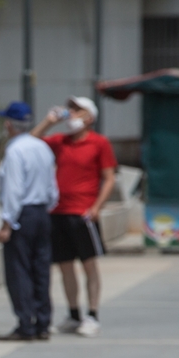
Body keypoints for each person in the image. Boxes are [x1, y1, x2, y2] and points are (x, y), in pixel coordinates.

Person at [31, 96, 117, 338]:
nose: (71, 113)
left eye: (77, 110)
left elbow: (109, 177)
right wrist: (49, 122)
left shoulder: (99, 143)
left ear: (89, 117)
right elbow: (31, 142)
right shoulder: (61, 141)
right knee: (65, 266)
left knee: (89, 264)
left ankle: (92, 315)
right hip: (58, 212)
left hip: (83, 213)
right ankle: (73, 314)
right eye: (70, 109)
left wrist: (97, 206)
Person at [0, 101, 58, 341]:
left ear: (9, 125)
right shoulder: (43, 147)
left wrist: (6, 224)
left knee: (19, 269)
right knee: (41, 268)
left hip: (22, 215)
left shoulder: (14, 151)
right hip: (42, 212)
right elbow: (53, 187)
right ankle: (43, 322)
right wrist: (46, 208)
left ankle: (25, 323)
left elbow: (13, 190)